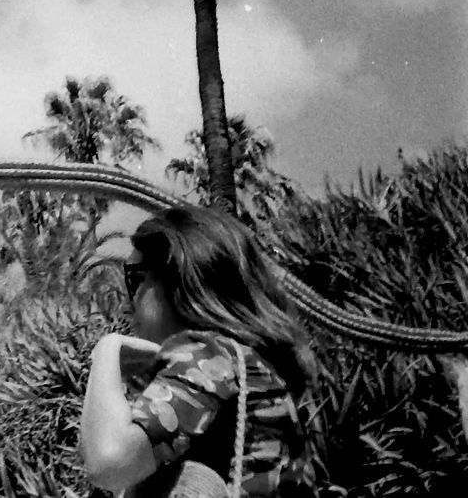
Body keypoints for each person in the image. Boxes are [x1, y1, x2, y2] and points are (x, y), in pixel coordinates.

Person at [80, 205, 316, 496]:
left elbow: (109, 461)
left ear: (178, 278)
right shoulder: (249, 369)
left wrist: (106, 350)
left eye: (135, 278)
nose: (128, 302)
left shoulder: (211, 353)